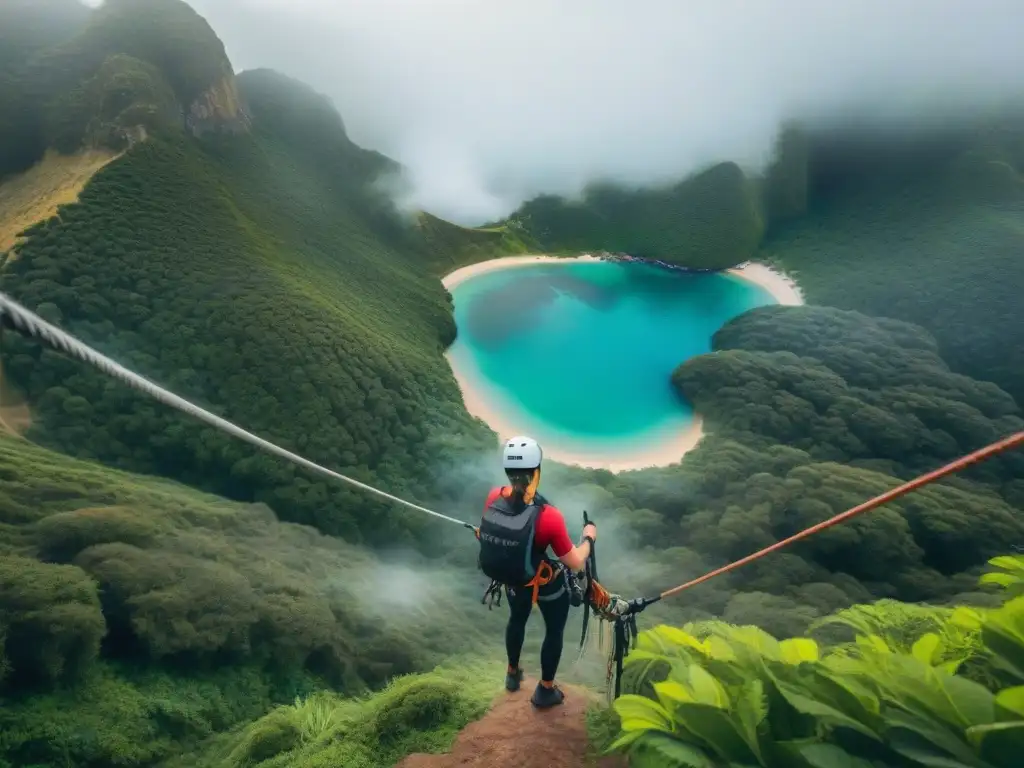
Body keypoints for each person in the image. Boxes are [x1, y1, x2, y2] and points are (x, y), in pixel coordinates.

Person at [477, 435, 598, 709]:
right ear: (536, 472)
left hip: (513, 579)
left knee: (516, 620)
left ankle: (512, 674)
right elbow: (576, 562)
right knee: (554, 630)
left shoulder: (494, 496)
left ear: (508, 472)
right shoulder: (549, 516)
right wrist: (589, 538)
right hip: (545, 584)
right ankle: (544, 691)